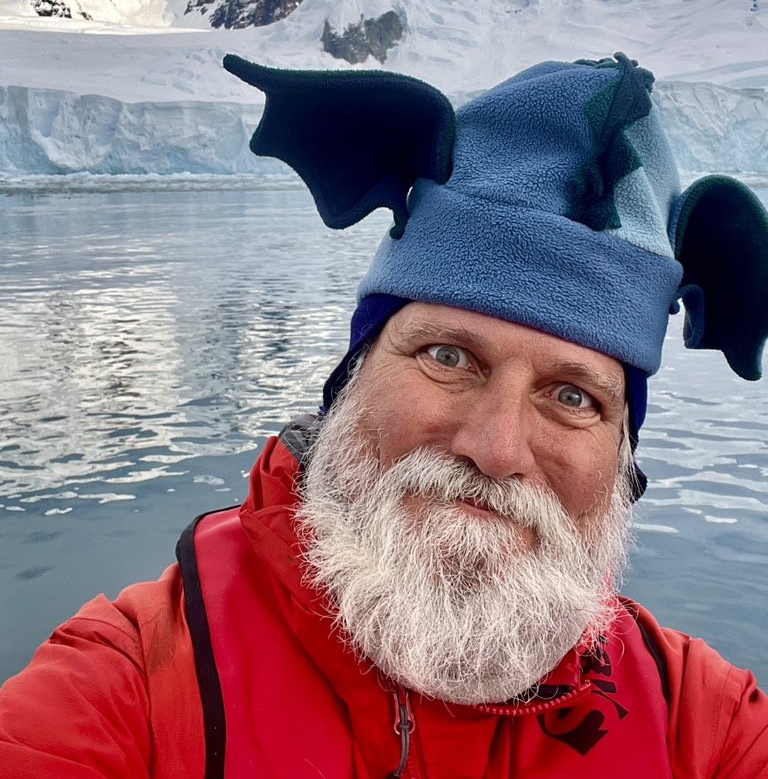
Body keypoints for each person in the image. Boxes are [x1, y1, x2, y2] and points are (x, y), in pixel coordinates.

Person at [1, 52, 767, 778]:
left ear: (623, 459)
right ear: (350, 380)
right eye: (448, 357)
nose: (496, 448)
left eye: (575, 398)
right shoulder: (133, 686)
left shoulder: (702, 724)